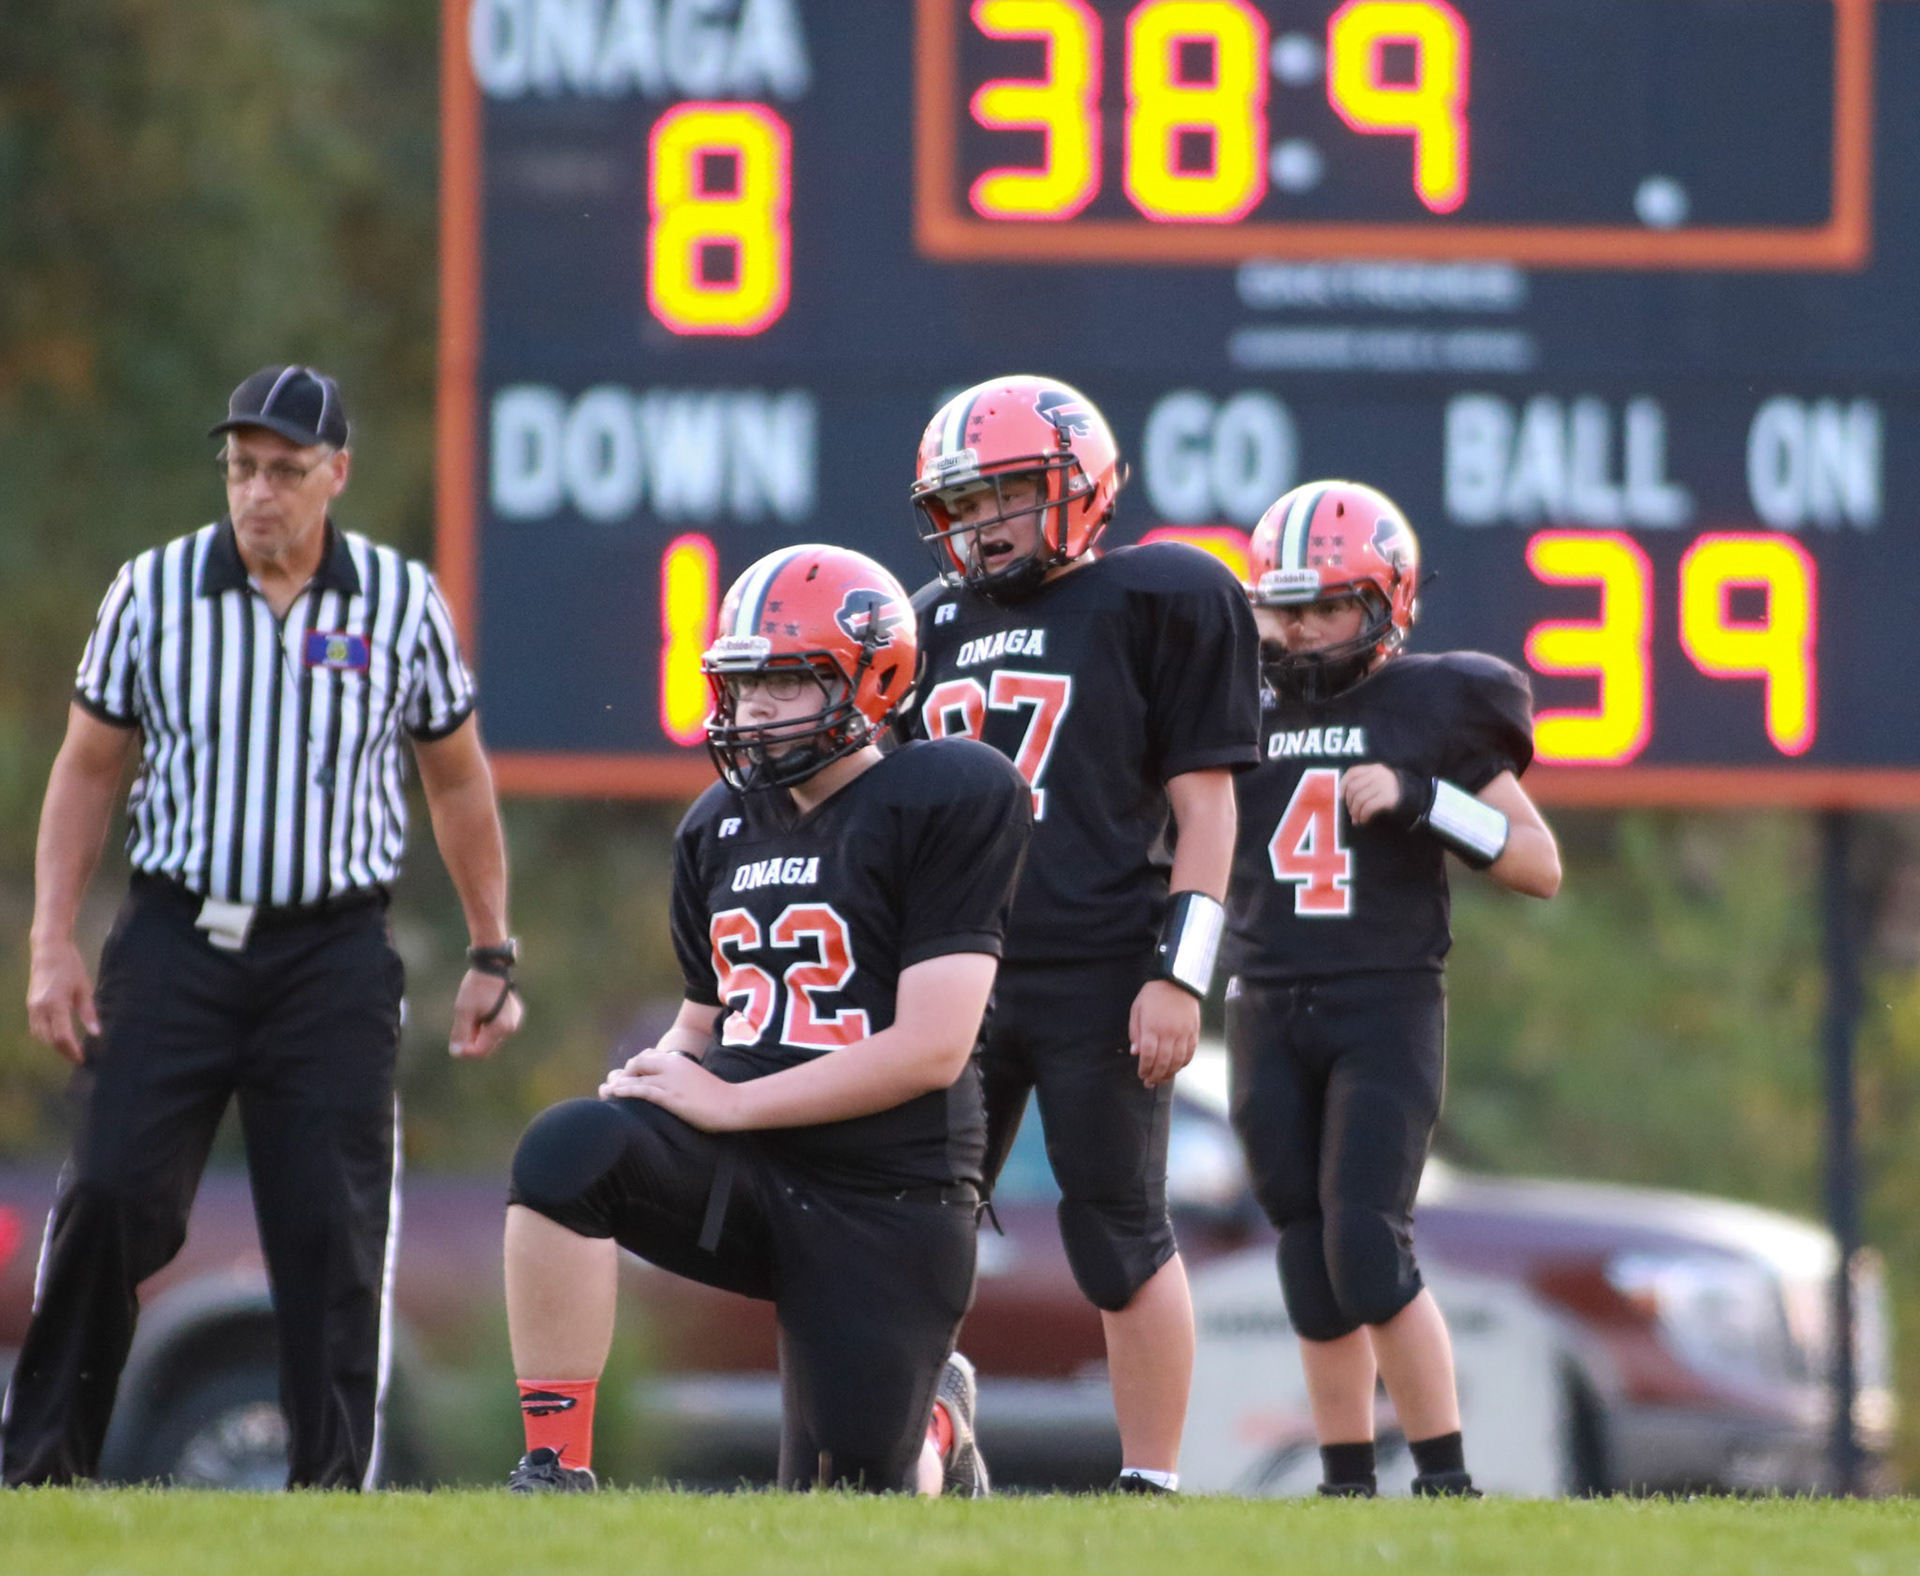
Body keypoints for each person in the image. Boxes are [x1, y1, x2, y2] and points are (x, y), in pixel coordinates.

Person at [2, 365, 523, 1490]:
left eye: (286, 472)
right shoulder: (151, 591)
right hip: (178, 936)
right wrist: (51, 940)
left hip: (330, 951)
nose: (259, 495)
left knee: (331, 1229)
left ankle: (329, 1493)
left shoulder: (397, 600)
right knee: (111, 1191)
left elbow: (459, 783)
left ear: (337, 475)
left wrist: (492, 949)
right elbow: (88, 769)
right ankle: (44, 1468)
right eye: (241, 470)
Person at [501, 544, 1030, 1495]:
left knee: (853, 1495)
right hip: (750, 1168)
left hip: (886, 1186)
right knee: (567, 1152)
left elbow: (933, 1047)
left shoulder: (949, 791)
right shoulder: (716, 823)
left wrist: (728, 1106)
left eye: (786, 683)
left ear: (877, 677)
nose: (753, 711)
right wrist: (656, 1079)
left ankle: (936, 1422)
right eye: (742, 686)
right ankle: (554, 1468)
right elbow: (706, 1017)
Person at [902, 376, 1261, 1493]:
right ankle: (923, 1429)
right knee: (912, 1224)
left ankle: (1149, 1483)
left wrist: (1179, 979)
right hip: (960, 964)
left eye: (1008, 493)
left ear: (1080, 486)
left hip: (1103, 965)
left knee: (1117, 1231)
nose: (985, 522)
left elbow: (1209, 813)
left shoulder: (1161, 594)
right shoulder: (930, 619)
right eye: (964, 502)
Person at [1222, 480, 1562, 1498]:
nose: (1305, 628)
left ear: (1386, 603)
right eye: (1288, 606)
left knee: (1367, 1240)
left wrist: (1427, 801)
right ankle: (1343, 1483)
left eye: (1330, 604)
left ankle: (1447, 1478)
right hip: (1264, 1001)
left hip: (1384, 1000)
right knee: (1305, 1250)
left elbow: (1539, 863)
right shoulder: (1236, 703)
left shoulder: (1432, 702)